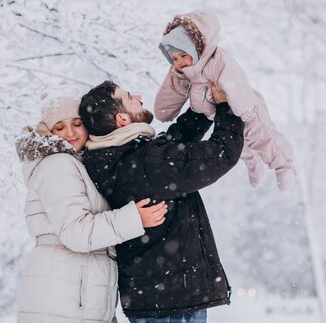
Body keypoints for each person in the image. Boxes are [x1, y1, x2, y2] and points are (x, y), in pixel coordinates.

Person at [78, 80, 244, 323]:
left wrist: (201, 109)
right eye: (129, 97)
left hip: (154, 298)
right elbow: (222, 153)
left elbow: (171, 147)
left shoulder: (112, 160)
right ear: (122, 119)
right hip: (174, 302)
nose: (138, 95)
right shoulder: (147, 163)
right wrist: (227, 108)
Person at [15, 87, 168, 323]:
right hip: (63, 299)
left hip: (73, 295)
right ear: (48, 131)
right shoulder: (58, 165)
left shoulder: (77, 164)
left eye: (77, 123)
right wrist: (133, 220)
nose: (70, 133)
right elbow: (76, 232)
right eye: (59, 127)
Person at [154, 10, 297, 190]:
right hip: (219, 113)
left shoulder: (218, 60)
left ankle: (285, 165)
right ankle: (254, 163)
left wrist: (245, 111)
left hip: (245, 106)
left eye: (183, 55)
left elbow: (234, 80)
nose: (179, 62)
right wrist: (164, 111)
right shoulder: (182, 72)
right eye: (174, 58)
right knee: (239, 144)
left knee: (261, 137)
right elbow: (171, 92)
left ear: (197, 49)